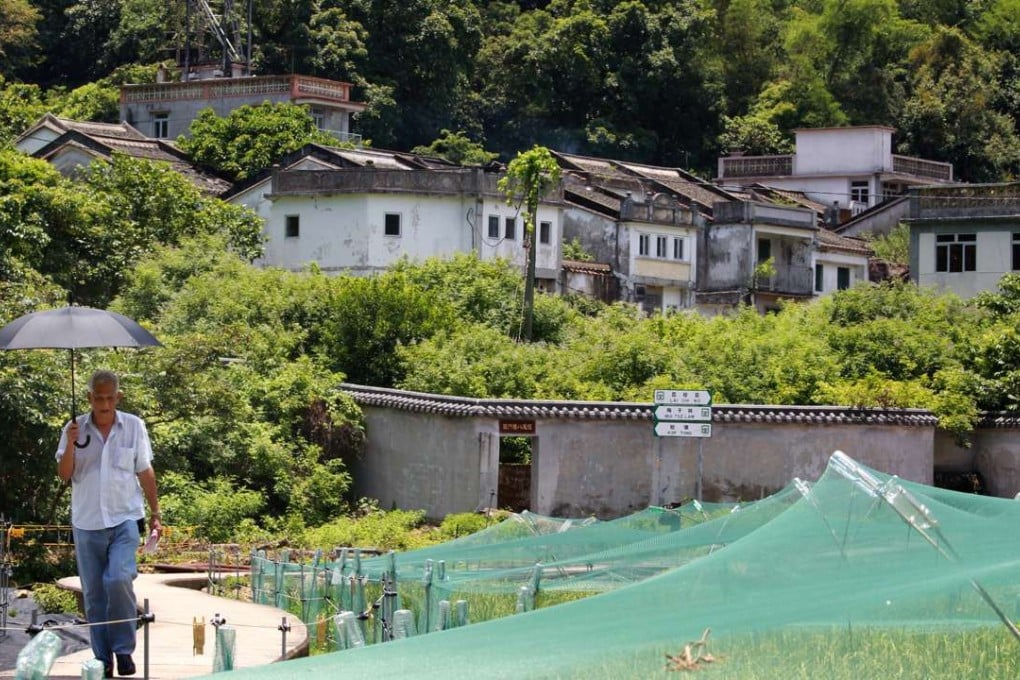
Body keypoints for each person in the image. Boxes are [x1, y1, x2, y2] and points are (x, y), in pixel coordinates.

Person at [56, 370, 162, 679]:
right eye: (98, 398)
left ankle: (123, 649)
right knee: (94, 594)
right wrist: (72, 445)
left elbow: (144, 470)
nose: (103, 404)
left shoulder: (133, 426)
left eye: (109, 398)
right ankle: (102, 658)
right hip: (87, 521)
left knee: (117, 579)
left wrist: (156, 513)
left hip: (124, 518)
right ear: (89, 397)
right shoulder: (73, 428)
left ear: (118, 397)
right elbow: (64, 474)